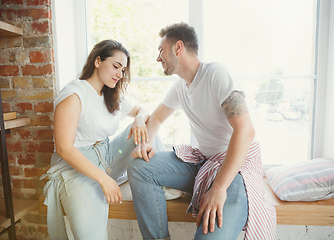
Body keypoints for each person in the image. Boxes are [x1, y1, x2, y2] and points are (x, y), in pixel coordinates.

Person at [127, 23, 277, 240]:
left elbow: (245, 130)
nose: (158, 58)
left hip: (236, 169)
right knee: (140, 167)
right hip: (205, 162)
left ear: (178, 47)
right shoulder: (181, 87)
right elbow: (157, 117)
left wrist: (218, 188)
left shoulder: (217, 74)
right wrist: (146, 142)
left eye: (161, 50)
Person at [41, 39, 164, 240]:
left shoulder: (109, 94)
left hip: (106, 157)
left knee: (148, 127)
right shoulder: (74, 94)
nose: (120, 74)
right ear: (98, 61)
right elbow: (64, 148)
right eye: (116, 66)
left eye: (123, 70)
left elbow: (143, 110)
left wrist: (139, 119)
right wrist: (103, 179)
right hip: (76, 169)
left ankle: (161, 183)